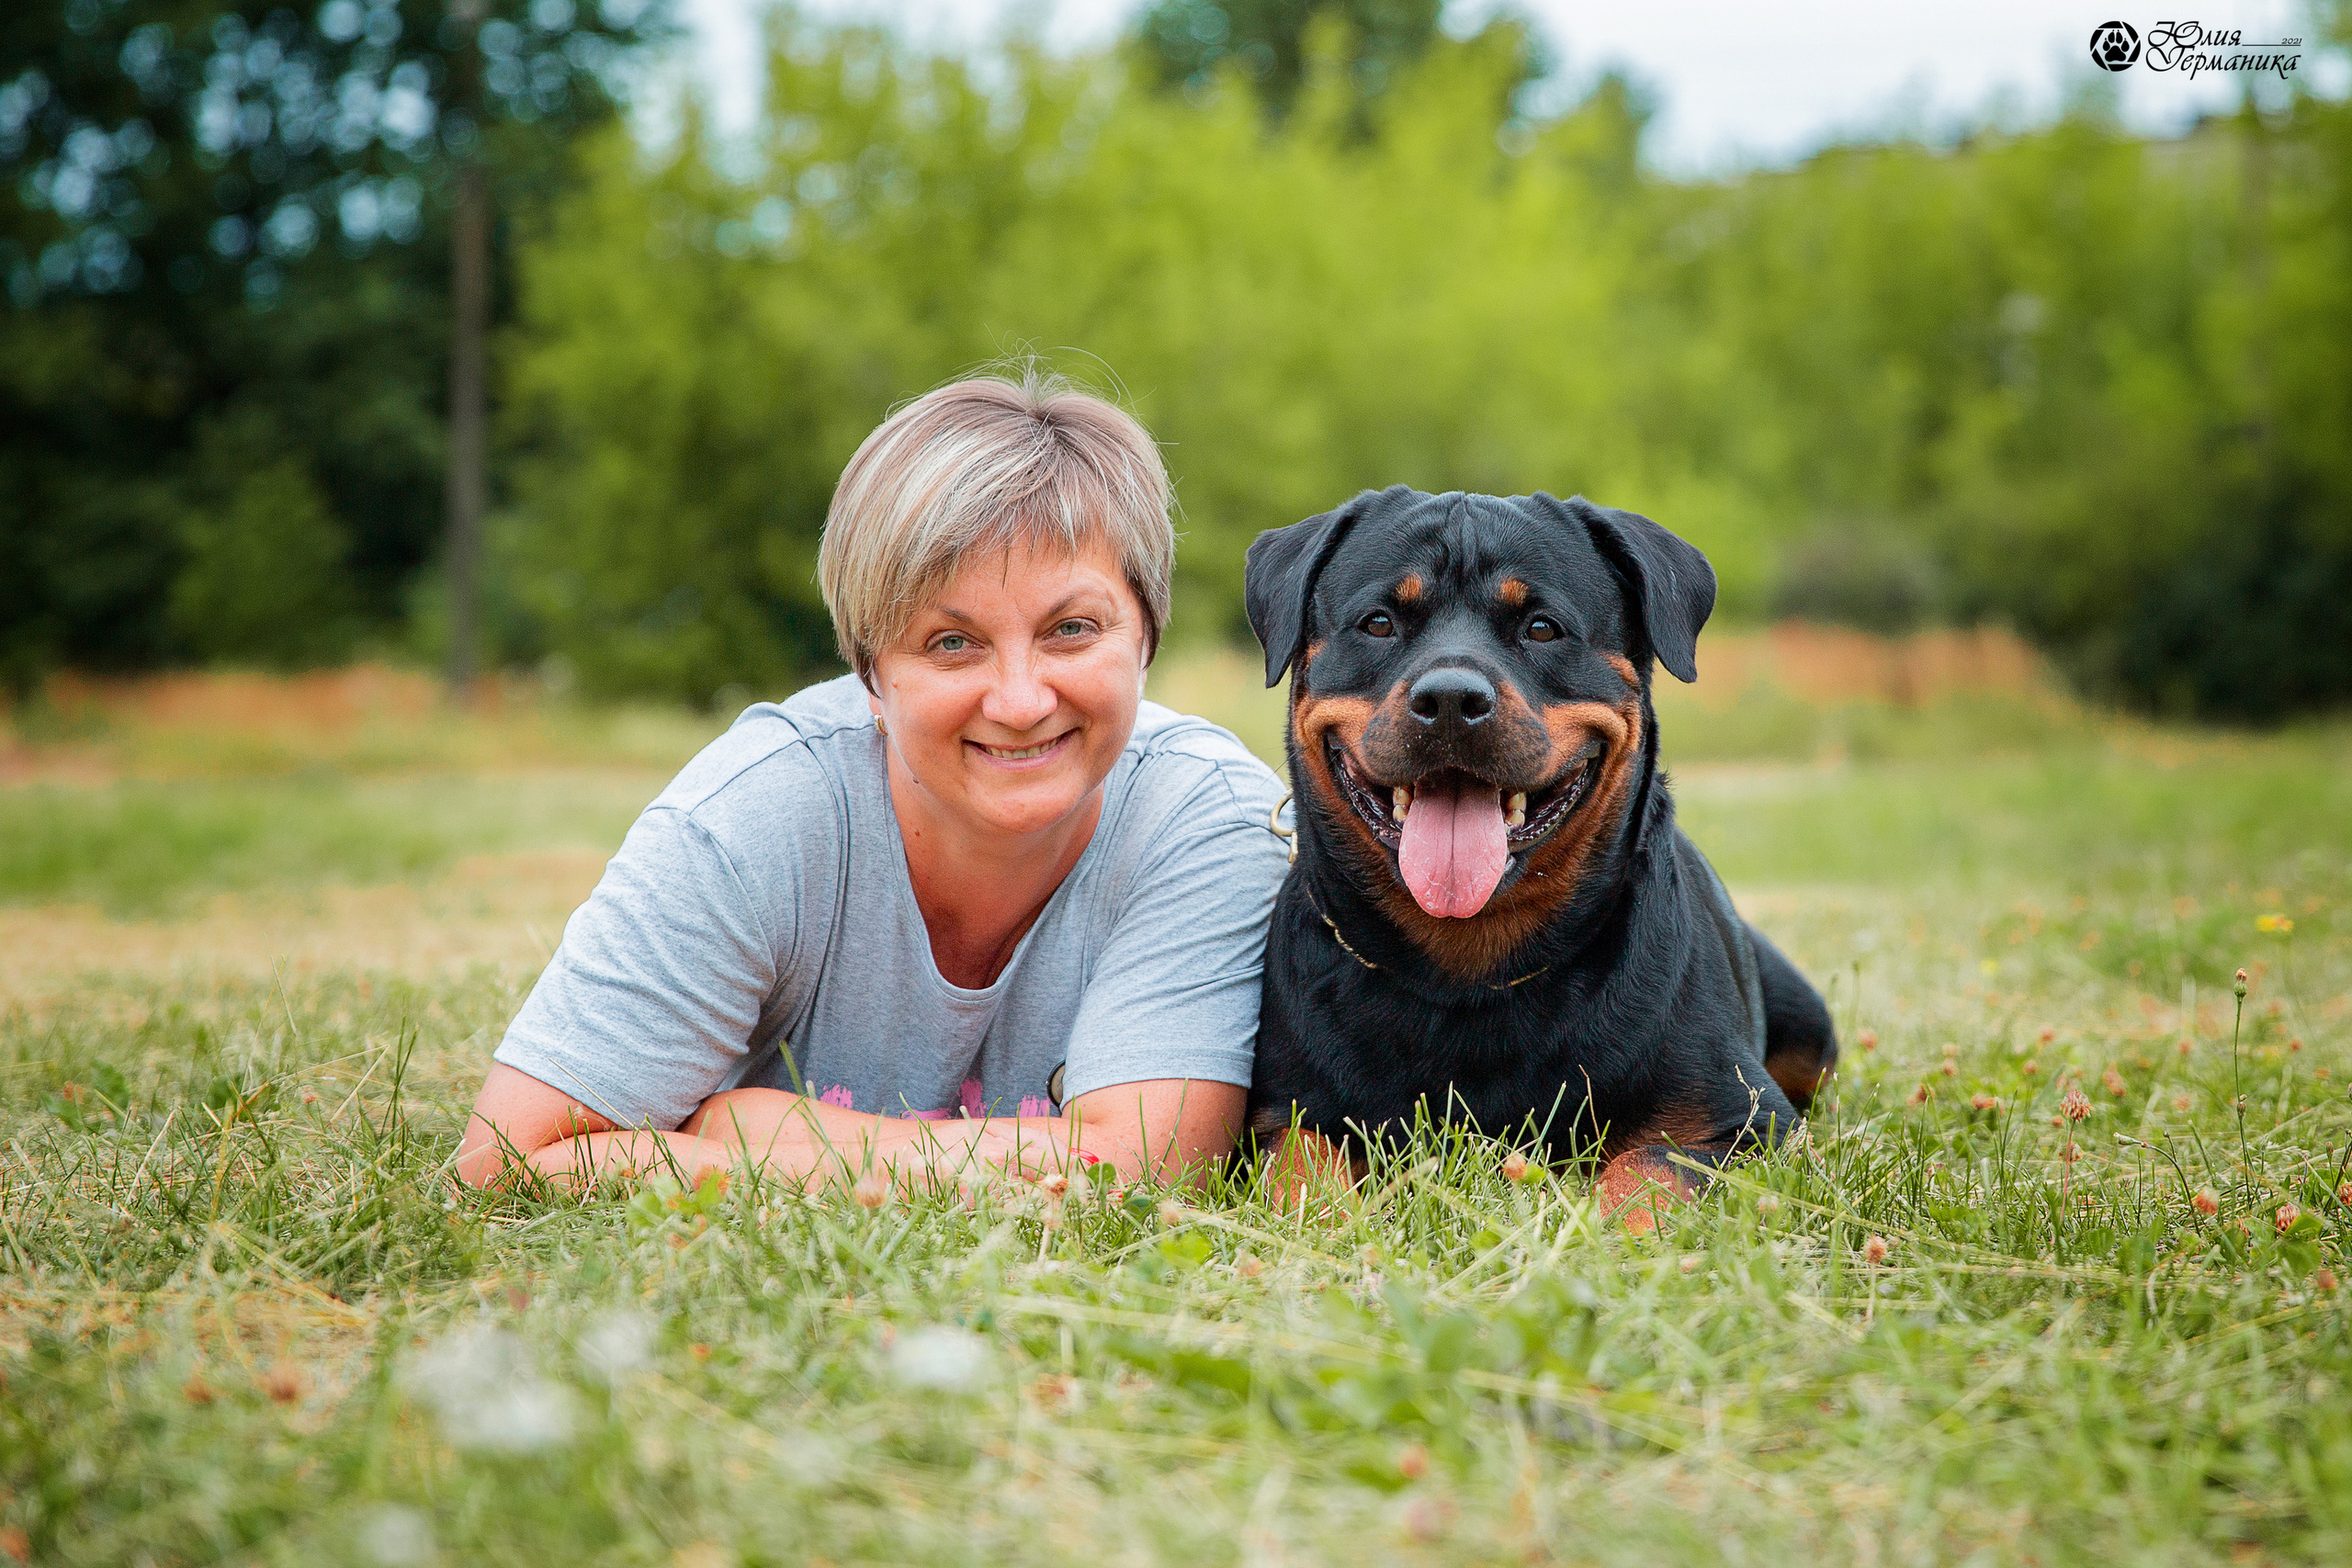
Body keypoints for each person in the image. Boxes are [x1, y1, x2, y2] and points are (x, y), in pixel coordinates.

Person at [454, 370, 1287, 1194]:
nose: (1023, 699)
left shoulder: (1210, 820)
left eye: (1072, 629)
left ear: (1145, 639)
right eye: (951, 643)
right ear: (869, 673)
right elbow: (503, 1161)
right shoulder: (757, 813)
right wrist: (1030, 1163)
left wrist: (775, 1135)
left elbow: (1148, 1169)